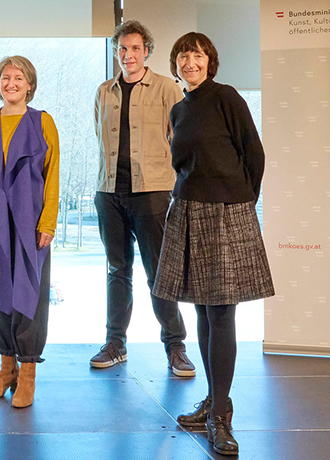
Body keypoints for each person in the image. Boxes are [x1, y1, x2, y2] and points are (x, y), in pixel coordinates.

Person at [155, 32, 274, 456]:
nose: (190, 62)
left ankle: (221, 415)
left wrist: (241, 198)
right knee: (204, 309)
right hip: (188, 210)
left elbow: (253, 155)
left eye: (198, 55)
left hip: (227, 211)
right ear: (176, 64)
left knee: (222, 313)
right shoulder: (178, 109)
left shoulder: (226, 98)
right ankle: (212, 400)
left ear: (210, 60)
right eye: (183, 56)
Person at [90, 20, 195, 377]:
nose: (128, 55)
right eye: (122, 49)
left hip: (152, 193)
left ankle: (175, 346)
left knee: (157, 274)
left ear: (146, 51)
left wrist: (176, 188)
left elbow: (182, 142)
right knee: (117, 271)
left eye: (135, 48)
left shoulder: (168, 89)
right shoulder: (104, 91)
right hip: (109, 194)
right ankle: (115, 343)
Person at [0, 56, 59, 409]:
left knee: (29, 295)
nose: (11, 83)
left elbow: (53, 175)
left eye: (18, 78)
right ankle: (7, 369)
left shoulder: (42, 122)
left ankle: (28, 373)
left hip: (30, 221)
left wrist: (48, 221)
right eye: (5, 78)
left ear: (30, 84)